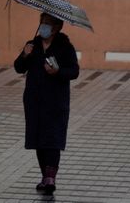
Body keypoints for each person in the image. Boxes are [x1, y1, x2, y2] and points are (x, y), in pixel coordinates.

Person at [14, 12, 79, 195]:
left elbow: (74, 71)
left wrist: (57, 72)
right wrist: (25, 55)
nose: (44, 26)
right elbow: (19, 67)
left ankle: (51, 178)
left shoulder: (65, 47)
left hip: (56, 102)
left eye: (48, 23)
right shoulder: (32, 45)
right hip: (34, 100)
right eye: (42, 22)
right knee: (39, 140)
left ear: (57, 27)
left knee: (52, 140)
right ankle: (45, 176)